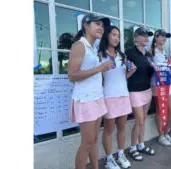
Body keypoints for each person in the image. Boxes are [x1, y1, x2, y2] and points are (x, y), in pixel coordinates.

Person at [68, 14, 111, 169]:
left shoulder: (93, 48)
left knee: (93, 140)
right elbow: (71, 76)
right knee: (86, 143)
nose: (101, 28)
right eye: (97, 24)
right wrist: (99, 68)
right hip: (85, 100)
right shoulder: (79, 45)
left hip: (97, 97)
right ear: (86, 25)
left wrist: (102, 68)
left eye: (102, 25)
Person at [99, 26, 135, 169]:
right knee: (108, 130)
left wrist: (128, 75)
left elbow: (129, 71)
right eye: (113, 34)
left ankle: (120, 154)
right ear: (107, 36)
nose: (116, 38)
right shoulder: (100, 54)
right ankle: (109, 159)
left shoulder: (122, 55)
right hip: (109, 96)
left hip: (123, 95)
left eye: (118, 36)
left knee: (122, 128)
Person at [125, 27, 155, 161]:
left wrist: (158, 69)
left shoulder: (148, 54)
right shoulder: (129, 52)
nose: (146, 38)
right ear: (136, 37)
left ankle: (141, 144)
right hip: (134, 90)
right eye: (143, 35)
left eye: (147, 36)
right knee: (139, 120)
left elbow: (150, 71)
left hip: (147, 90)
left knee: (143, 120)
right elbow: (125, 71)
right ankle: (132, 148)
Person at [149, 29, 171, 146]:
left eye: (166, 36)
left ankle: (166, 132)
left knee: (169, 109)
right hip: (157, 84)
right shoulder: (151, 51)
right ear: (156, 36)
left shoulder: (164, 51)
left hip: (166, 83)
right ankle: (161, 135)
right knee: (160, 110)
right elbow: (149, 67)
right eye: (163, 36)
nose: (164, 38)